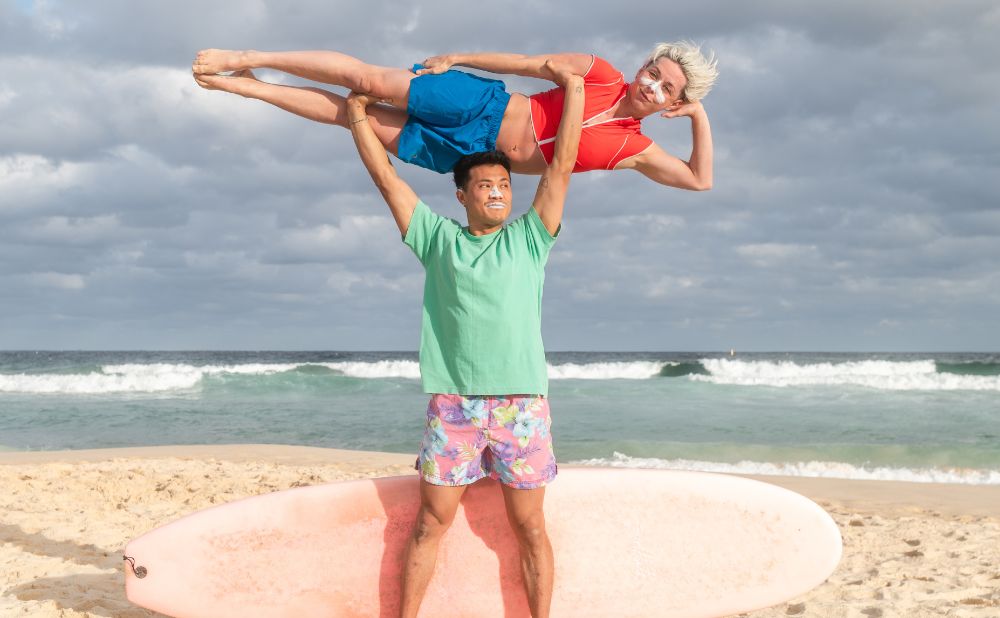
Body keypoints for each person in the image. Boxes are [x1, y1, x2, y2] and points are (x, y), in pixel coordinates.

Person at [344, 57, 583, 618]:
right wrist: (358, 120)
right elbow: (387, 180)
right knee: (431, 523)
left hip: (522, 402)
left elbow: (563, 166)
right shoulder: (436, 239)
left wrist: (571, 90)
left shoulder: (531, 238)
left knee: (530, 525)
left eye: (503, 185)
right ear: (463, 195)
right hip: (454, 404)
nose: (498, 193)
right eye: (486, 185)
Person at [192, 42, 716, 190]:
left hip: (473, 157)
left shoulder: (636, 149)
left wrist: (699, 118)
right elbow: (529, 65)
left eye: (666, 88)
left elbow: (699, 181)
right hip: (481, 104)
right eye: (653, 71)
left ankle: (255, 91)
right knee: (369, 82)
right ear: (643, 64)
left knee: (357, 119)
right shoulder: (597, 73)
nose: (650, 84)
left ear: (673, 101)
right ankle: (246, 59)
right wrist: (462, 58)